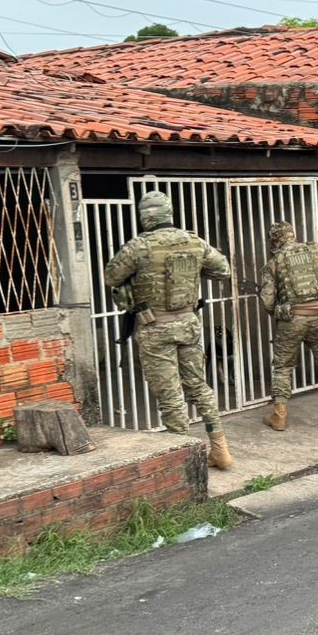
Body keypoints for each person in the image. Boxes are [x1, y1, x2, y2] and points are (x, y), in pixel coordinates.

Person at [104, 190, 236, 470]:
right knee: (199, 386)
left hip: (155, 327)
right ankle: (221, 450)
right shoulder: (193, 241)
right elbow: (223, 269)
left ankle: (185, 461)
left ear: (145, 217)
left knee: (170, 394)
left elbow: (111, 276)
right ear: (169, 213)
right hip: (188, 324)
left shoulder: (139, 246)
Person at [258, 221, 318, 431]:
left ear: (275, 240)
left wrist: (280, 311)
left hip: (291, 321)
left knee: (283, 367)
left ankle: (279, 417)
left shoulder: (272, 264)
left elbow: (267, 302)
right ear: (292, 235)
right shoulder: (317, 249)